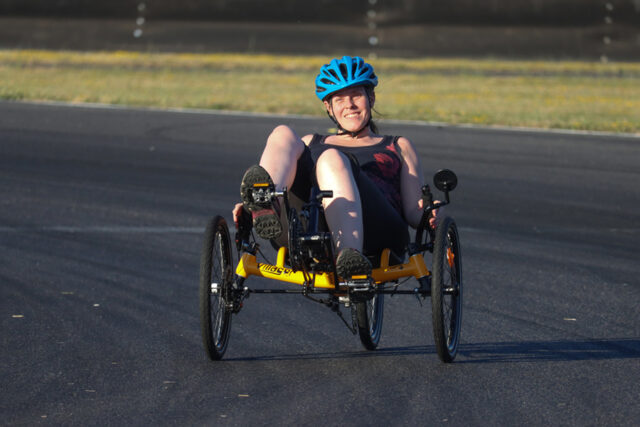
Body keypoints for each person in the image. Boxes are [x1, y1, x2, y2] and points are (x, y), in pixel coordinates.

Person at [233, 55, 438, 279]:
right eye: (339, 99)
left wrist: (432, 211)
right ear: (328, 107)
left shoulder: (396, 145)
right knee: (282, 133)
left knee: (333, 159)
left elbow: (414, 212)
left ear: (371, 97)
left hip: (377, 231)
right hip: (306, 230)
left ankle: (349, 255)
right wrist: (247, 207)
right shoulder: (310, 142)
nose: (349, 105)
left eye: (356, 96)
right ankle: (265, 200)